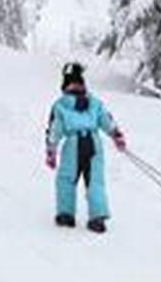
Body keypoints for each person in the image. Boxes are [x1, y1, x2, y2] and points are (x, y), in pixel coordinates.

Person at [45, 62, 126, 233]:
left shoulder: (60, 105)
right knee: (95, 180)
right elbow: (106, 120)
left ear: (65, 85)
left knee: (66, 179)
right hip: (94, 143)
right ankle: (97, 218)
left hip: (73, 144)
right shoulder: (95, 102)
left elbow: (55, 128)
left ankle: (66, 214)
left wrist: (51, 150)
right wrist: (116, 135)